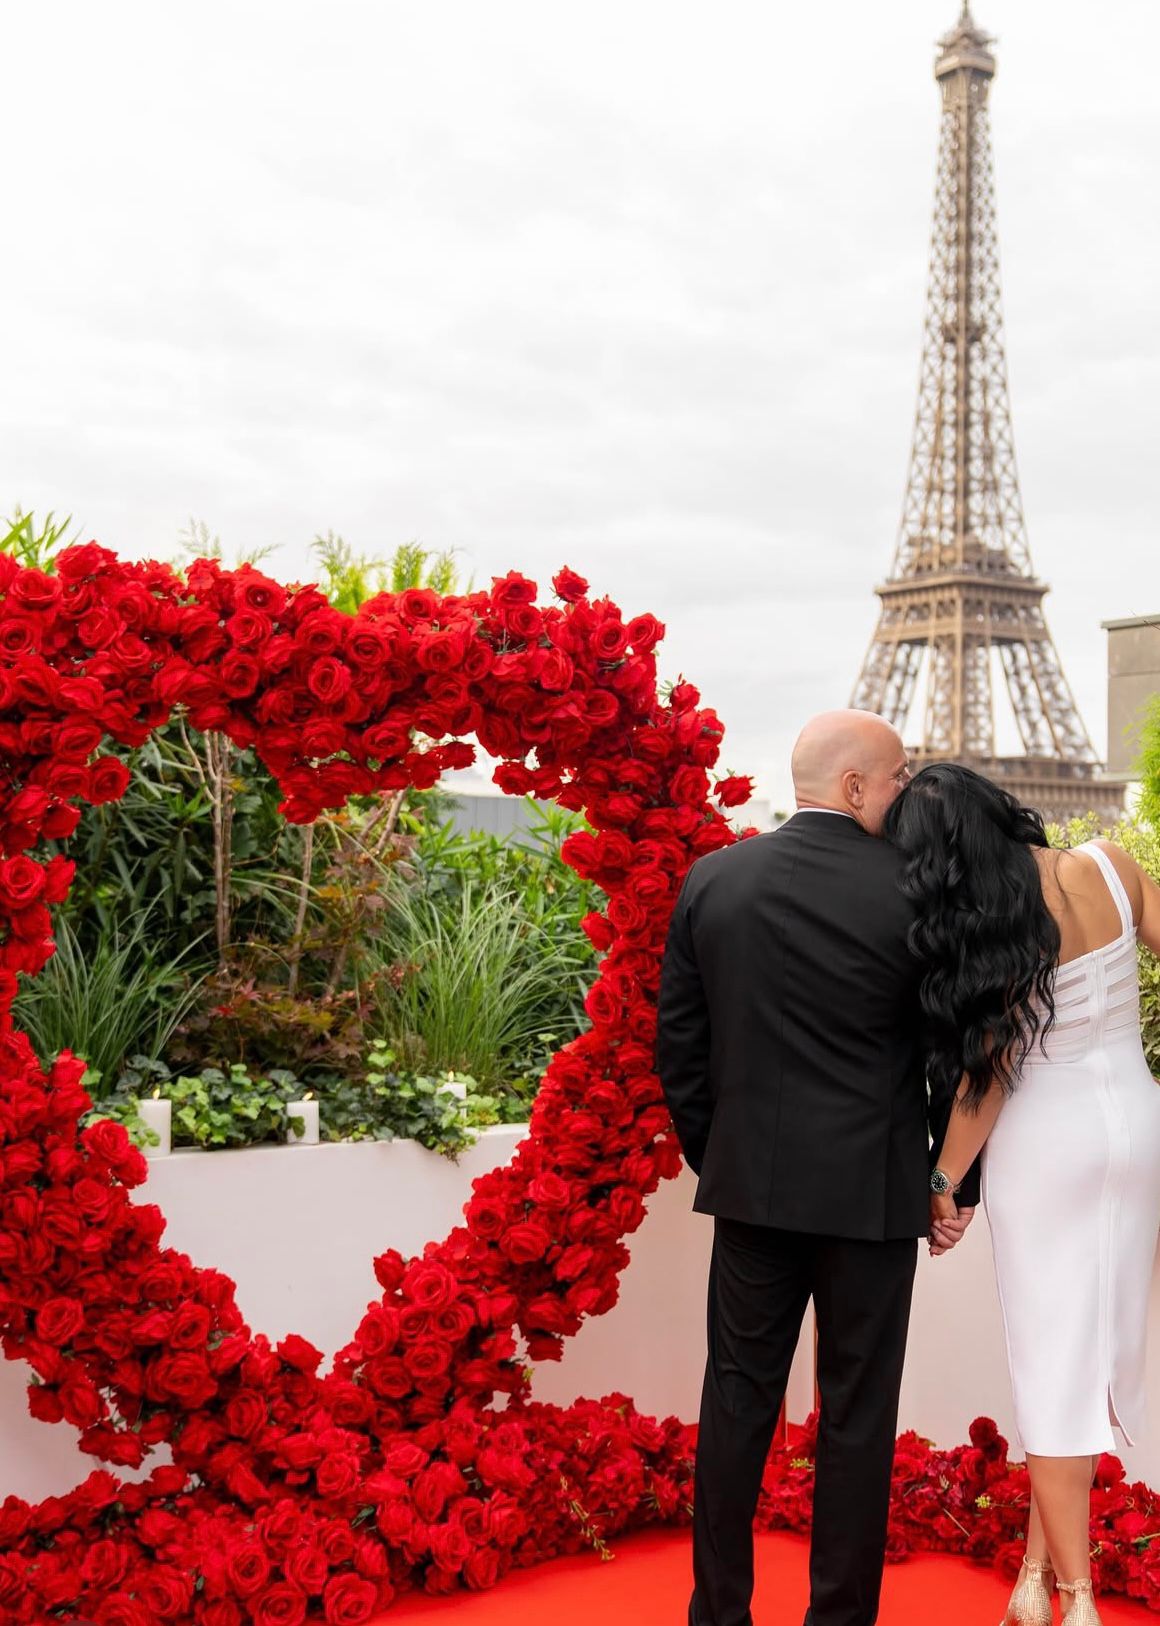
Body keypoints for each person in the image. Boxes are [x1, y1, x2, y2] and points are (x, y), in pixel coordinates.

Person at [656, 710, 976, 1626]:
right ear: (854, 785)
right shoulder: (919, 894)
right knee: (857, 1417)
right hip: (873, 1197)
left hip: (752, 1191)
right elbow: (953, 1056)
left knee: (735, 1402)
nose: (907, 791)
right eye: (899, 776)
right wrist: (947, 1182)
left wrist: (723, 1158)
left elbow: (680, 1048)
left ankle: (718, 1614)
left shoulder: (715, 879)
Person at [886, 764, 1160, 1626]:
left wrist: (941, 1181)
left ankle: (1077, 1600)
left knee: (1051, 1360)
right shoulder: (1111, 864)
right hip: (1137, 1128)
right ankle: (1034, 1580)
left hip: (1049, 1146)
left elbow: (988, 1082)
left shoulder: (995, 923)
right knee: (1091, 1351)